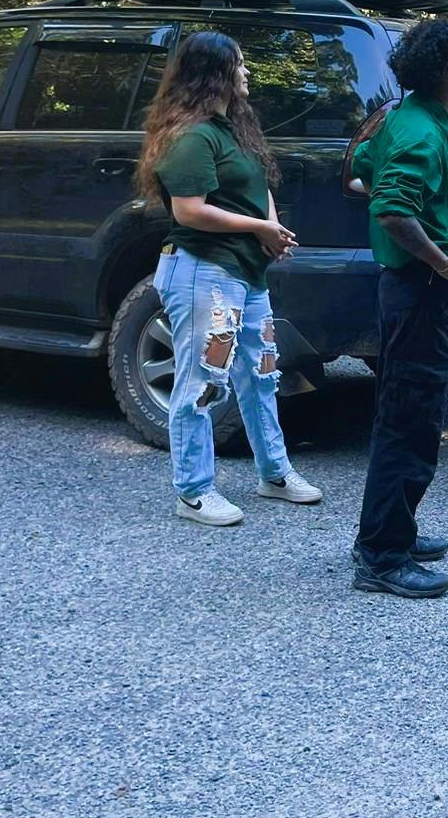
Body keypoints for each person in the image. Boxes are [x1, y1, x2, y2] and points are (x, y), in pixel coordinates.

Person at [136, 31, 323, 526]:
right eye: (239, 65)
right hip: (203, 274)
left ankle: (274, 474)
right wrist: (260, 229)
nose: (246, 73)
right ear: (214, 74)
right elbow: (190, 211)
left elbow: (257, 187)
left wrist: (272, 229)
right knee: (202, 381)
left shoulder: (231, 130)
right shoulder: (192, 135)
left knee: (262, 374)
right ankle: (193, 491)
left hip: (243, 275)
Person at [349, 19, 448, 598]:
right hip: (420, 293)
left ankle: (388, 531)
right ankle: (382, 556)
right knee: (414, 421)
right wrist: (441, 263)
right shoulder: (421, 133)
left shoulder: (411, 117)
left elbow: (359, 177)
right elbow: (391, 209)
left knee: (401, 413)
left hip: (407, 293)